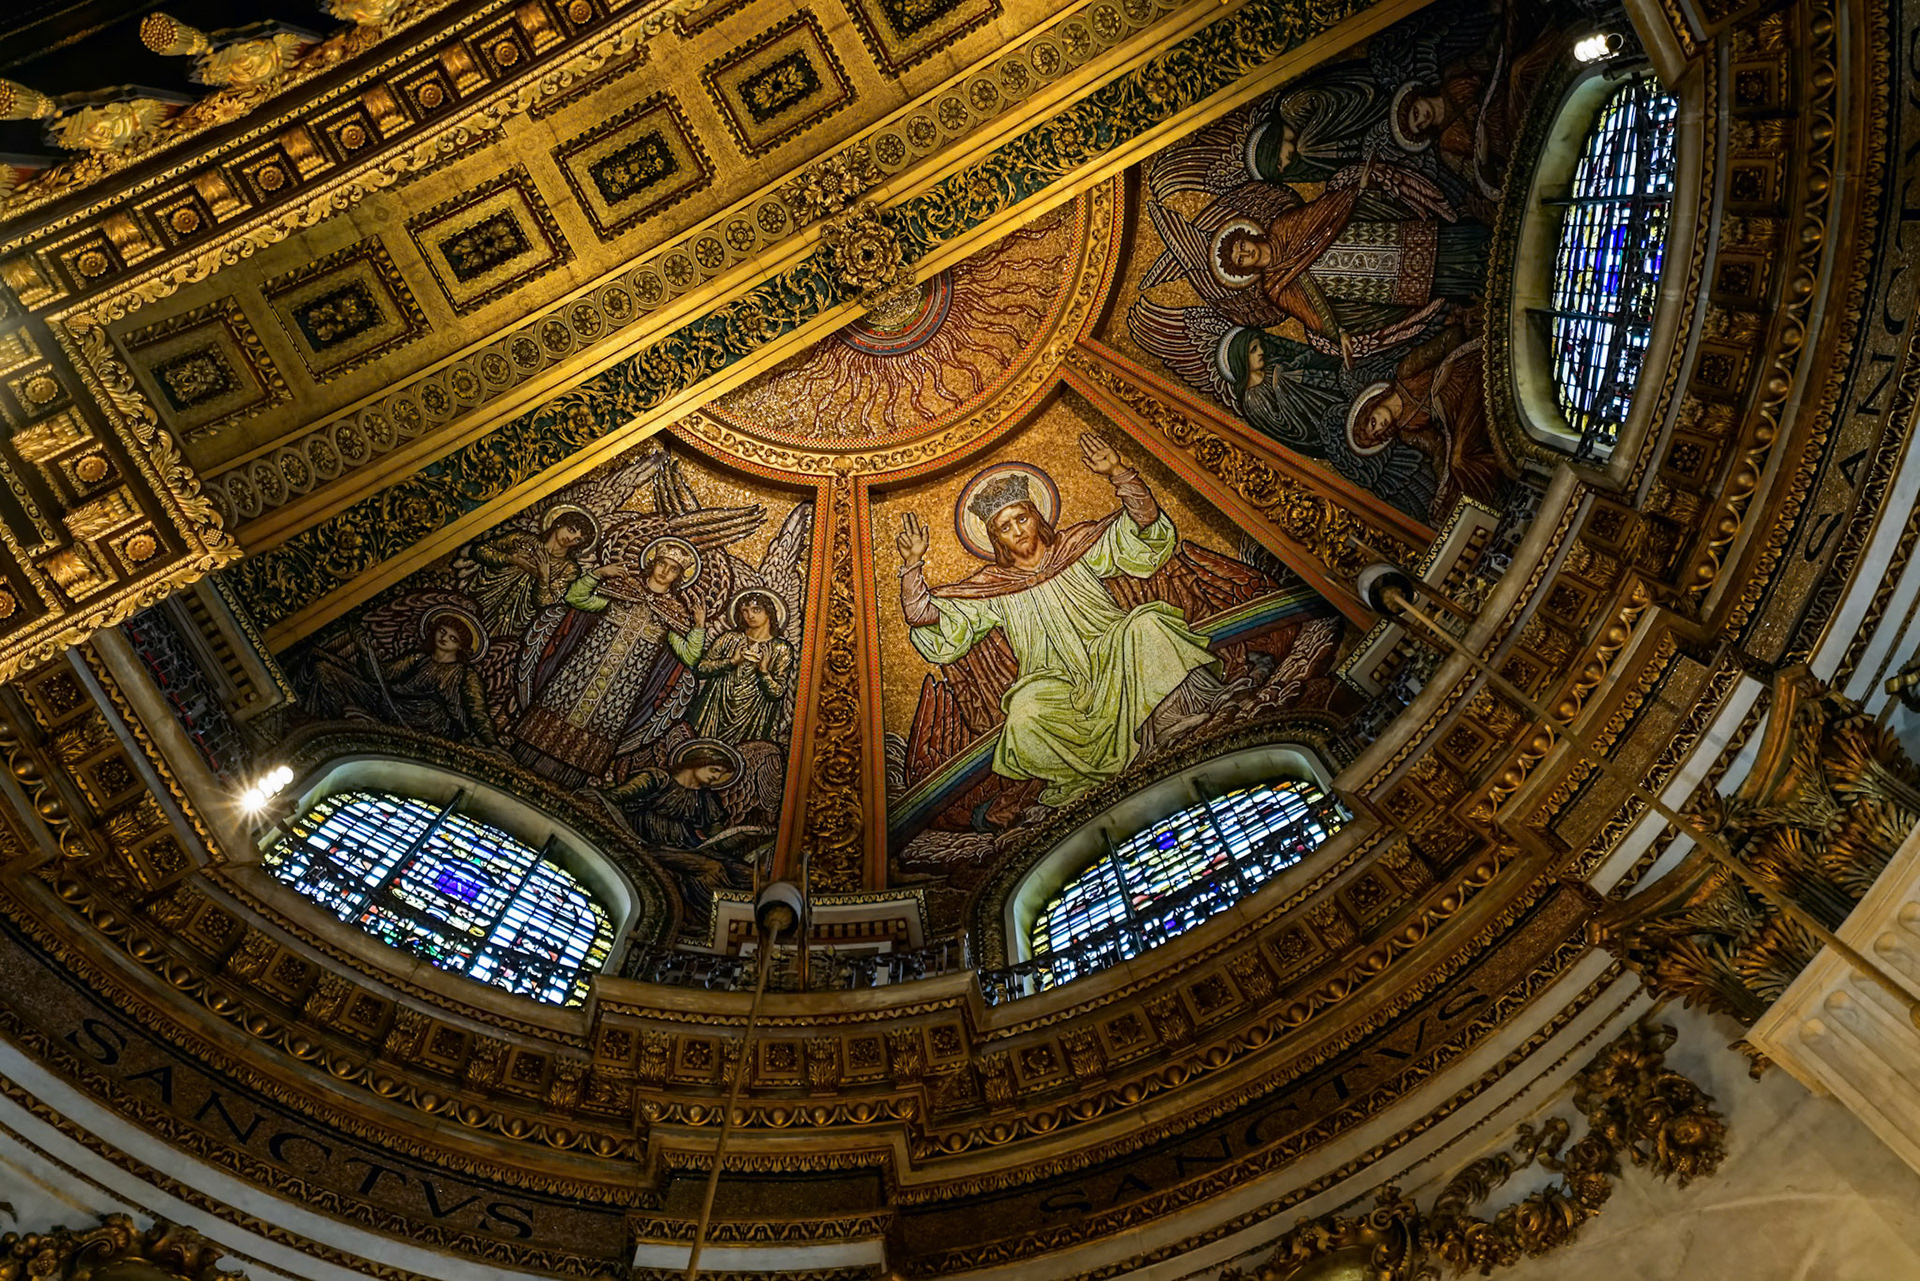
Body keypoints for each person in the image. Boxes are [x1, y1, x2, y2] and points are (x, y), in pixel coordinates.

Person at [895, 434, 1224, 808]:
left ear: (1036, 517)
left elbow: (1144, 530)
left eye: (1021, 518)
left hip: (1113, 651)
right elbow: (926, 619)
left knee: (1147, 626)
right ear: (995, 539)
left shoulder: (1077, 547)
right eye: (1005, 527)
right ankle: (1082, 778)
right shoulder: (991, 588)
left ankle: (1169, 720)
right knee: (1024, 712)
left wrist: (1119, 473)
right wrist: (912, 566)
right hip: (1052, 680)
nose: (1018, 530)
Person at [510, 538, 706, 788]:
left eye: (674, 569)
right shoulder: (624, 588)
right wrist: (598, 574)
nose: (665, 571)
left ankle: (568, 784)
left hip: (623, 685)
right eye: (662, 563)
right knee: (561, 705)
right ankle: (519, 760)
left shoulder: (672, 612)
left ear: (679, 576)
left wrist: (699, 626)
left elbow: (689, 656)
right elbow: (576, 598)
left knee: (600, 725)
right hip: (584, 666)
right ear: (652, 563)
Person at [1346, 327, 1498, 522]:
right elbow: (1438, 448)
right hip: (1459, 412)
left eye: (1373, 422)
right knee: (1458, 460)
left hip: (1466, 375)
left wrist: (1448, 368)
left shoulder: (1405, 372)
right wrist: (1441, 489)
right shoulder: (1407, 430)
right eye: (1377, 433)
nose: (1380, 427)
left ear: (1370, 408)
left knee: (1460, 457)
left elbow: (1450, 337)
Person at [302, 608, 499, 746]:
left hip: (427, 727)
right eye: (442, 631)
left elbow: (478, 712)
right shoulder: (419, 658)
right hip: (390, 705)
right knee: (324, 670)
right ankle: (324, 731)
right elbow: (381, 676)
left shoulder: (464, 674)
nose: (444, 638)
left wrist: (492, 743)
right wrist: (365, 651)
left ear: (461, 647)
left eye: (452, 638)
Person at [458, 506, 609, 637]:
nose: (570, 539)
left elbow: (548, 604)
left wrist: (544, 577)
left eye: (577, 540)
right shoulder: (522, 539)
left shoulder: (568, 568)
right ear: (559, 524)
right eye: (571, 530)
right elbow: (479, 550)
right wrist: (509, 558)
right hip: (486, 594)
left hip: (517, 618)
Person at [688, 590, 795, 744]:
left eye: (756, 610)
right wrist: (731, 662)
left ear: (769, 613)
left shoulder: (781, 649)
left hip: (752, 719)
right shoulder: (729, 639)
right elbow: (701, 668)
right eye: (745, 611)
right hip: (715, 711)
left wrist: (763, 671)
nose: (750, 615)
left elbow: (777, 692)